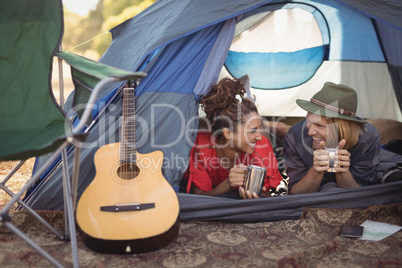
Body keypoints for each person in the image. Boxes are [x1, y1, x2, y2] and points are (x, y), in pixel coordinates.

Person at [182, 77, 283, 199]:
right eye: (252, 131)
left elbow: (266, 194)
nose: (259, 137)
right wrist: (228, 185)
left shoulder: (261, 147)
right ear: (228, 133)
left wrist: (257, 194)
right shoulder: (203, 149)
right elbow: (199, 199)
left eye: (259, 128)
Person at [283, 82, 381, 194]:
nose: (310, 132)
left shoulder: (368, 139)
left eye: (319, 125)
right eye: (308, 122)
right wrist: (316, 170)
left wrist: (342, 171)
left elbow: (361, 196)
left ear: (342, 128)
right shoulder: (295, 137)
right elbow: (294, 195)